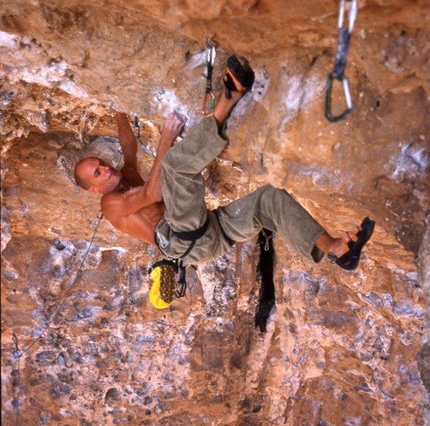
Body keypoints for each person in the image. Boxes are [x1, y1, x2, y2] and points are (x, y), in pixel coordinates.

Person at [74, 56, 375, 272]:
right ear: (93, 189)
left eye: (101, 163)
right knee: (175, 166)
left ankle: (335, 248)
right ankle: (228, 100)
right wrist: (165, 140)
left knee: (269, 199)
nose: (107, 168)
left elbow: (128, 148)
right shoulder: (110, 206)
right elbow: (152, 195)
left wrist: (117, 107)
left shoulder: (122, 176)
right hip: (183, 240)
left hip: (210, 234)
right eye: (98, 173)